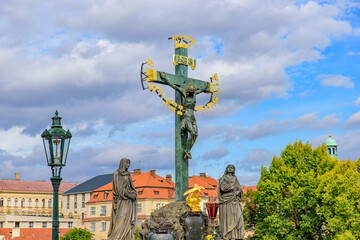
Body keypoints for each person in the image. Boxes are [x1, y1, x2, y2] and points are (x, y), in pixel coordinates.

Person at [160, 72, 208, 159]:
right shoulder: (184, 93)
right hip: (186, 117)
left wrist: (205, 86)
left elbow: (200, 90)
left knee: (196, 134)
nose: (191, 93)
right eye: (190, 92)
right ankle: (187, 151)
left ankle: (188, 150)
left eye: (192, 92)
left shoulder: (194, 94)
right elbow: (174, 86)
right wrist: (165, 79)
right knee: (193, 133)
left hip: (192, 117)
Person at [108, 158, 137, 240]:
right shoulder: (116, 174)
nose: (128, 165)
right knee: (121, 217)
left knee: (127, 220)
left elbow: (132, 187)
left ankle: (127, 237)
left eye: (129, 164)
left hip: (129, 202)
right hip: (121, 201)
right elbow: (118, 189)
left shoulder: (128, 175)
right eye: (127, 163)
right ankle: (116, 237)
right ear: (123, 164)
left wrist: (134, 194)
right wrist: (129, 195)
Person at [218, 164, 245, 240]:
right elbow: (223, 188)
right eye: (229, 167)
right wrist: (232, 186)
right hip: (226, 201)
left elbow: (239, 188)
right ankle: (229, 235)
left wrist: (239, 192)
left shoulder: (235, 178)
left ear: (234, 170)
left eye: (232, 168)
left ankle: (238, 236)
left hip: (235, 200)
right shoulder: (224, 178)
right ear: (226, 169)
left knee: (239, 217)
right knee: (228, 219)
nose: (230, 169)